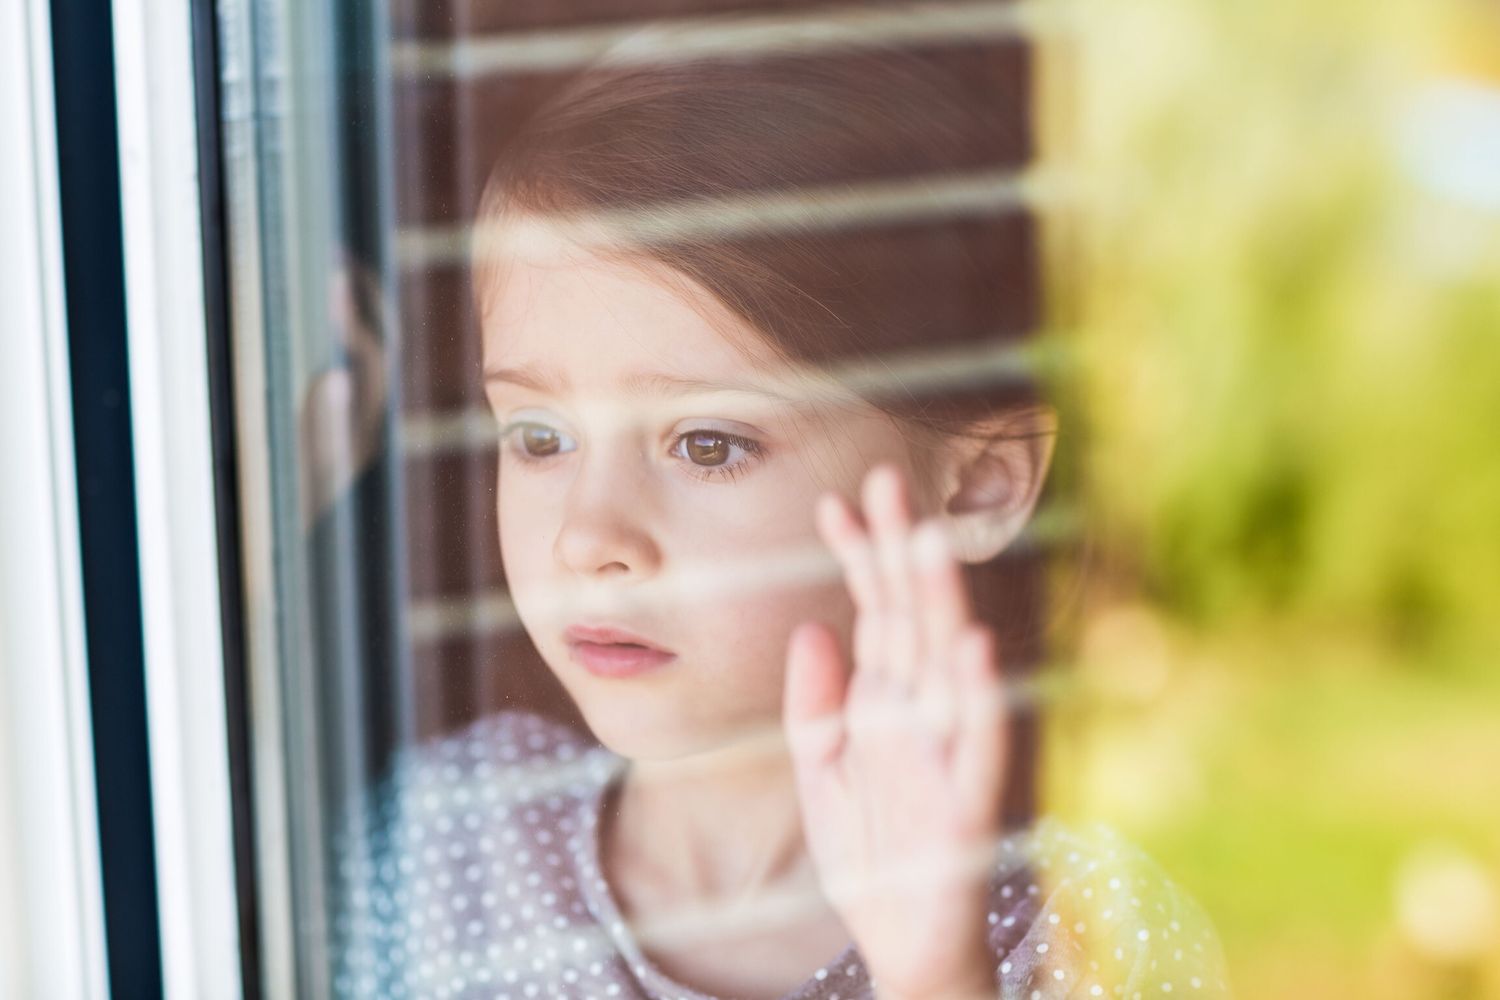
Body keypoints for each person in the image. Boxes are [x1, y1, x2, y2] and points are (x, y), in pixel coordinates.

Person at [334, 34, 1230, 1000]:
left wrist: (936, 972)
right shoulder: (444, 847)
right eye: (541, 437)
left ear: (977, 487)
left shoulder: (1078, 933)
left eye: (706, 445)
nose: (587, 538)